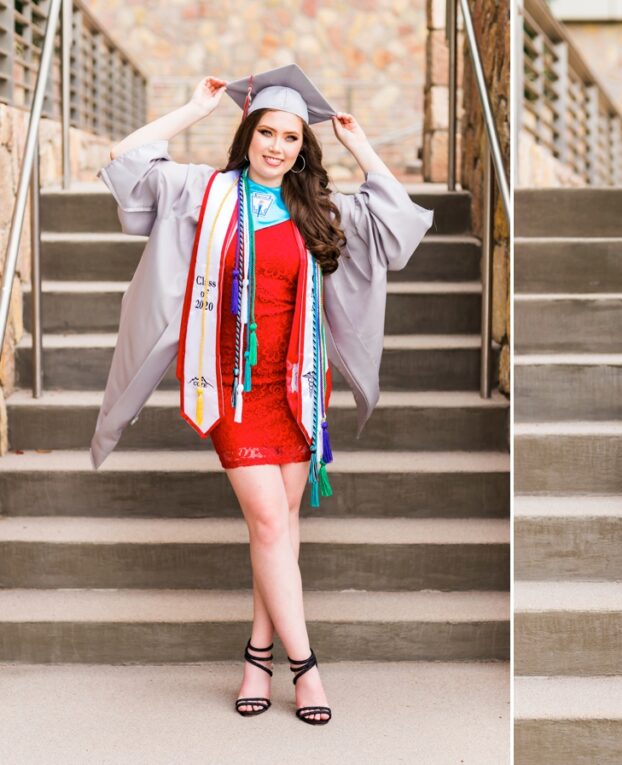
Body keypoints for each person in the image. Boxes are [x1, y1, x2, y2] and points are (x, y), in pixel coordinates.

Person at [91, 64, 433, 724]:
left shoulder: (319, 210)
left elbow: (399, 222)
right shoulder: (203, 191)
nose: (277, 146)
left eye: (291, 137)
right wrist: (194, 109)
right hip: (229, 386)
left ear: (304, 148)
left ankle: (256, 654)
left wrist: (361, 146)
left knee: (275, 531)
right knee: (272, 523)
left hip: (299, 384)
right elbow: (126, 158)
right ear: (248, 134)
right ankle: (306, 668)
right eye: (267, 132)